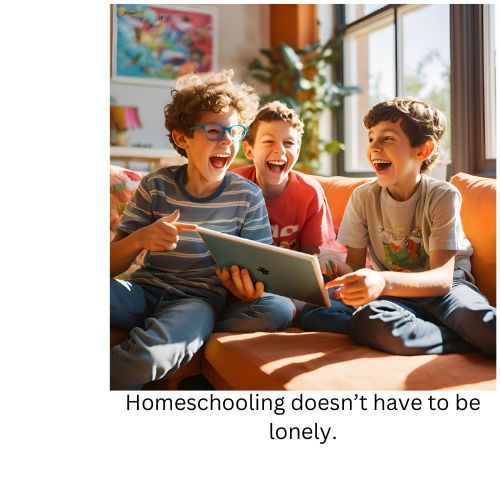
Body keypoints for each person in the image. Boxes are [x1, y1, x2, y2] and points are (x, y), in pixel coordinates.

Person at [110, 70, 295, 390]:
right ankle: (192, 331)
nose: (228, 140)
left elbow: (262, 271)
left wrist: (246, 290)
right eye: (214, 131)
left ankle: (194, 328)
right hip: (142, 292)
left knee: (276, 307)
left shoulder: (247, 196)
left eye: (235, 131)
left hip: (197, 301)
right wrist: (141, 238)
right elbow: (111, 265)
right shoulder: (157, 185)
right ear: (182, 137)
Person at [301, 97, 496, 357]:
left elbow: (441, 280)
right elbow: (357, 268)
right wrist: (336, 272)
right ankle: (456, 338)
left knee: (481, 322)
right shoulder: (363, 197)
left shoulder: (441, 195)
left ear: (423, 150)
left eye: (388, 139)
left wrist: (382, 280)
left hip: (448, 292)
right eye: (371, 139)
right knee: (320, 313)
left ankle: (450, 332)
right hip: (395, 296)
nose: (374, 147)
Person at [234, 100, 336, 255]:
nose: (280, 150)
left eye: (288, 143)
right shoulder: (233, 185)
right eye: (269, 141)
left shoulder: (310, 193)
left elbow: (314, 257)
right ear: (249, 150)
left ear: (298, 151)